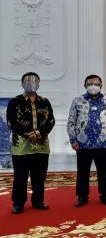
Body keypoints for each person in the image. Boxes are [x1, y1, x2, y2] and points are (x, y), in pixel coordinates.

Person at [67, 75, 106, 207]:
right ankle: (82, 196)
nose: (93, 86)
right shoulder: (77, 101)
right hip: (83, 143)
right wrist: (73, 139)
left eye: (96, 83)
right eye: (90, 84)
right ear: (85, 85)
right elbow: (71, 121)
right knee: (83, 172)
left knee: (104, 172)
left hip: (103, 143)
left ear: (101, 85)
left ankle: (105, 195)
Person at [7, 72, 55, 214]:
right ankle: (18, 203)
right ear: (22, 84)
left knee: (39, 175)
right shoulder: (15, 102)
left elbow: (51, 121)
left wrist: (39, 132)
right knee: (20, 176)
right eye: (27, 81)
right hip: (21, 146)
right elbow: (11, 121)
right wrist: (28, 133)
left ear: (39, 84)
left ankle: (38, 201)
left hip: (41, 146)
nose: (31, 83)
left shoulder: (45, 102)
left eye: (34, 81)